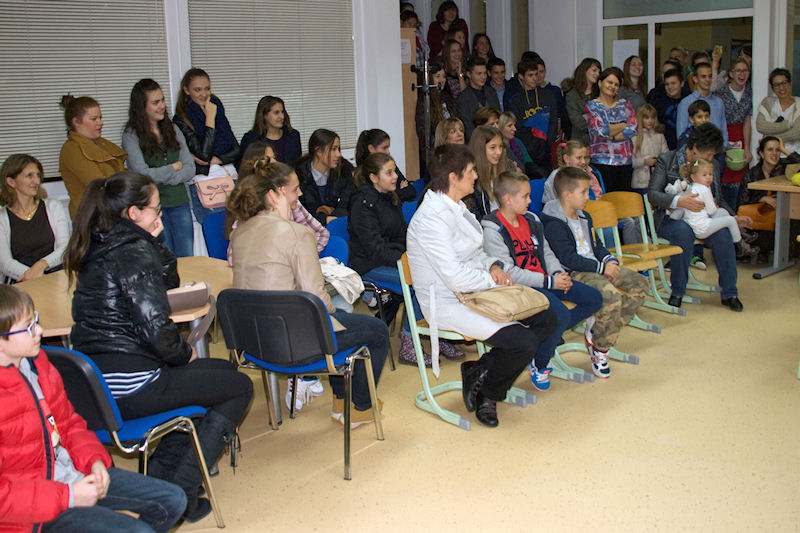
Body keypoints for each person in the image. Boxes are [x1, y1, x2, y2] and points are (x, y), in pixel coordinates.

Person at [65, 171, 253, 521]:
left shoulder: (100, 243)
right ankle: (180, 493)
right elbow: (155, 328)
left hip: (95, 385)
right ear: (133, 213)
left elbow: (166, 282)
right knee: (239, 386)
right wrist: (184, 353)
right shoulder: (133, 250)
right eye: (155, 209)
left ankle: (162, 481)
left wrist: (153, 241)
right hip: (132, 383)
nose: (161, 215)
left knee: (220, 372)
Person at [0, 284, 187, 533]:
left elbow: (69, 423)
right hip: (32, 513)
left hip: (70, 478)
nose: (40, 331)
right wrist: (68, 496)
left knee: (173, 500)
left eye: (35, 320)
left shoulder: (37, 364)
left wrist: (94, 460)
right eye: (29, 327)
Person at [228, 161, 388, 428]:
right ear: (273, 195)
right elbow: (317, 300)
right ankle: (360, 406)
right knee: (376, 330)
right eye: (292, 192)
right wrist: (334, 311)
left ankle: (341, 403)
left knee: (338, 323)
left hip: (254, 344)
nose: (298, 197)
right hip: (294, 345)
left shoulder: (239, 234)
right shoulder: (299, 234)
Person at [407, 143, 556, 427]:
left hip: (475, 291)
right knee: (523, 342)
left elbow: (476, 253)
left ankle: (481, 369)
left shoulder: (457, 207)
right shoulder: (430, 219)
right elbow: (454, 277)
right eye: (471, 171)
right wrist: (492, 279)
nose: (476, 175)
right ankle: (489, 392)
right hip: (448, 302)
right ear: (454, 177)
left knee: (547, 317)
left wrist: (493, 266)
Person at [481, 171, 602, 390]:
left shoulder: (531, 220)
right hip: (521, 288)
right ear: (508, 199)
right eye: (525, 196)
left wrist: (557, 273)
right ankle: (540, 362)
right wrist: (549, 282)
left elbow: (546, 252)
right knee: (560, 314)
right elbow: (509, 272)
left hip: (546, 280)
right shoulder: (493, 228)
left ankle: (543, 338)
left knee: (594, 298)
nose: (530, 200)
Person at [348, 152, 463, 365]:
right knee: (422, 282)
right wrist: (410, 262)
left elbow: (404, 236)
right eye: (389, 173)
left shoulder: (390, 198)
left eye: (394, 171)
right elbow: (376, 251)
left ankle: (438, 333)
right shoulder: (363, 205)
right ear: (373, 178)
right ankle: (409, 344)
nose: (396, 177)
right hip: (370, 265)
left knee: (437, 276)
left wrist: (419, 254)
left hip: (394, 259)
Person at [541, 167, 648, 378]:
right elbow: (567, 258)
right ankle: (600, 348)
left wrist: (609, 260)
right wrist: (601, 268)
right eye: (583, 192)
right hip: (574, 273)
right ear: (566, 195)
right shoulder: (553, 223)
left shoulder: (585, 216)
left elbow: (596, 246)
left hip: (596, 267)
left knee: (640, 285)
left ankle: (600, 329)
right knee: (611, 296)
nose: (588, 196)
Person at [647, 123, 746, 311]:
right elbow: (653, 194)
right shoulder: (667, 160)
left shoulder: (712, 165)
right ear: (694, 148)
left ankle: (730, 292)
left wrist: (734, 217)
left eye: (712, 156)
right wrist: (679, 201)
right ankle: (678, 290)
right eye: (707, 155)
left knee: (723, 234)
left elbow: (718, 199)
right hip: (670, 218)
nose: (710, 160)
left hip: (702, 218)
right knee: (683, 232)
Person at [122, 79, 196, 257]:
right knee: (163, 257)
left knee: (187, 257)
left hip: (179, 202)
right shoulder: (131, 135)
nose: (162, 106)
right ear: (142, 106)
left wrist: (165, 176)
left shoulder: (173, 129)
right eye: (155, 102)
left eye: (162, 100)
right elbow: (141, 174)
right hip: (151, 208)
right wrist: (173, 167)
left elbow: (189, 167)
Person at [173, 68, 240, 224]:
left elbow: (235, 148)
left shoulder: (216, 107)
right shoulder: (181, 118)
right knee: (216, 231)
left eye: (207, 89)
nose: (203, 94)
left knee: (238, 231)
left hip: (229, 178)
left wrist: (218, 159)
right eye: (197, 90)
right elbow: (204, 154)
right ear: (186, 90)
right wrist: (210, 119)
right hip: (204, 184)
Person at [543, 140, 642, 244]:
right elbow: (564, 206)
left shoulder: (586, 173)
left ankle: (635, 251)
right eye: (579, 158)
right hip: (570, 217)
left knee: (632, 220)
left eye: (585, 157)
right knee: (607, 229)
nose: (583, 162)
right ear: (566, 159)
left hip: (595, 211)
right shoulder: (559, 177)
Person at [665, 159, 757, 260]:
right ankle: (741, 245)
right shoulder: (704, 189)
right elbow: (711, 211)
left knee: (723, 211)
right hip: (702, 227)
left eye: (710, 174)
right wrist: (713, 205)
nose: (708, 177)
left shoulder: (692, 187)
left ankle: (740, 234)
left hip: (692, 224)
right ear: (693, 177)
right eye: (704, 175)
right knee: (730, 220)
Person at [0, 154, 70, 282]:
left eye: (38, 175)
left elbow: (64, 247)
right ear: (11, 182)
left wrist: (41, 265)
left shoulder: (53, 206)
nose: (36, 181)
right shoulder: (2, 218)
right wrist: (33, 275)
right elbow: (5, 263)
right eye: (29, 175)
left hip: (54, 275)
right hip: (20, 280)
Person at [58, 95, 126, 218]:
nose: (100, 123)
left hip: (110, 214)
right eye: (94, 119)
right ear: (76, 122)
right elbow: (99, 184)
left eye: (100, 118)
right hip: (91, 219)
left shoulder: (101, 144)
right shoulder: (72, 149)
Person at [737, 135, 800, 263]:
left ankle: (766, 251)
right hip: (757, 219)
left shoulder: (785, 168)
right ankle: (758, 250)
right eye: (770, 150)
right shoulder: (751, 174)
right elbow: (742, 202)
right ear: (761, 153)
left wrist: (784, 149)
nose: (774, 154)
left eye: (777, 150)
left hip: (777, 218)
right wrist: (762, 198)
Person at [587, 67, 638, 192]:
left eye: (616, 84)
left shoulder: (625, 104)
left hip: (625, 163)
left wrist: (612, 135)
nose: (613, 86)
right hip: (601, 162)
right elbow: (600, 131)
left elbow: (633, 128)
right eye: (610, 82)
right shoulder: (592, 106)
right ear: (600, 83)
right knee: (605, 200)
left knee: (623, 201)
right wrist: (623, 124)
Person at [508, 56, 558, 177]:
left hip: (545, 150)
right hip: (527, 152)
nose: (535, 78)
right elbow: (517, 127)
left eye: (536, 74)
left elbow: (553, 122)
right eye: (530, 75)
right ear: (521, 76)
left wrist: (547, 144)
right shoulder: (516, 100)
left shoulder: (548, 95)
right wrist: (527, 149)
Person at [714, 58, 753, 210]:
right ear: (731, 73)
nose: (742, 74)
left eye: (745, 70)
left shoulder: (750, 92)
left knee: (740, 180)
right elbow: (717, 120)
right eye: (738, 71)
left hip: (742, 136)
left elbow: (747, 120)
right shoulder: (720, 93)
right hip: (724, 136)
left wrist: (747, 148)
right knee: (723, 178)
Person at [295, 129, 355, 226]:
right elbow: (299, 211)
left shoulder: (344, 171)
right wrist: (324, 219)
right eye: (333, 149)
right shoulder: (298, 175)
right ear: (318, 151)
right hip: (308, 228)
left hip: (338, 224)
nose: (338, 154)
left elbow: (348, 203)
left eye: (338, 149)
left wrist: (333, 219)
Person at [676, 62, 729, 152]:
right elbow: (681, 133)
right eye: (703, 77)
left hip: (717, 152)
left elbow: (723, 129)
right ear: (695, 79)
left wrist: (723, 148)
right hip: (696, 153)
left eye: (710, 76)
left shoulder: (719, 102)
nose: (707, 80)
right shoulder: (686, 103)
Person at [238, 95, 302, 167]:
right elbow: (244, 167)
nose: (282, 117)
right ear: (264, 115)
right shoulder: (251, 139)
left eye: (282, 112)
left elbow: (298, 165)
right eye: (276, 112)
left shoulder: (293, 135)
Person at [354, 128, 416, 202]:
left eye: (388, 148)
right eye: (384, 148)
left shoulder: (388, 164)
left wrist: (397, 192)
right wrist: (401, 191)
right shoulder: (364, 172)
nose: (388, 152)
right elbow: (381, 199)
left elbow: (411, 191)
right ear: (371, 148)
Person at [467, 125, 509, 220]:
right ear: (480, 149)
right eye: (493, 147)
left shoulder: (504, 174)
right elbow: (478, 219)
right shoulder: (472, 182)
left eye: (500, 147)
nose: (498, 152)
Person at [755, 68, 800, 155]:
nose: (781, 88)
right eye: (776, 85)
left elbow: (797, 133)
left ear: (790, 83)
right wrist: (786, 125)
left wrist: (768, 138)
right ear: (772, 88)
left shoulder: (799, 104)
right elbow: (760, 126)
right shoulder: (768, 102)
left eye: (784, 83)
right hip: (771, 156)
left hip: (794, 156)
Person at [457, 57, 501, 141]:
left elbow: (498, 117)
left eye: (484, 73)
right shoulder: (463, 98)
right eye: (479, 74)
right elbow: (467, 126)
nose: (483, 77)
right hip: (475, 141)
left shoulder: (491, 92)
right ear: (469, 74)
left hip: (494, 138)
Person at [631, 104, 668, 194]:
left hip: (658, 181)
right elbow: (630, 161)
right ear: (640, 119)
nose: (650, 121)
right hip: (640, 182)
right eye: (646, 118)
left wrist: (658, 161)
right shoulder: (634, 137)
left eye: (652, 118)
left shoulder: (659, 136)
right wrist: (644, 162)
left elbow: (666, 156)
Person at [564, 57, 601, 144]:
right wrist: (595, 119)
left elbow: (605, 119)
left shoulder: (600, 94)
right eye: (594, 70)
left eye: (599, 72)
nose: (597, 74)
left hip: (598, 142)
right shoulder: (572, 95)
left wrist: (586, 116)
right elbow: (578, 122)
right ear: (584, 71)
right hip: (579, 142)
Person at [648, 68, 685, 149]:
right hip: (662, 148)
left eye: (673, 83)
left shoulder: (688, 101)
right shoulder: (657, 103)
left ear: (682, 83)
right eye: (667, 84)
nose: (670, 87)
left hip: (684, 148)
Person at [498, 111, 535, 177]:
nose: (514, 129)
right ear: (500, 127)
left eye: (514, 125)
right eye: (509, 126)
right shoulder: (498, 147)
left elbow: (529, 163)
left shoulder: (518, 142)